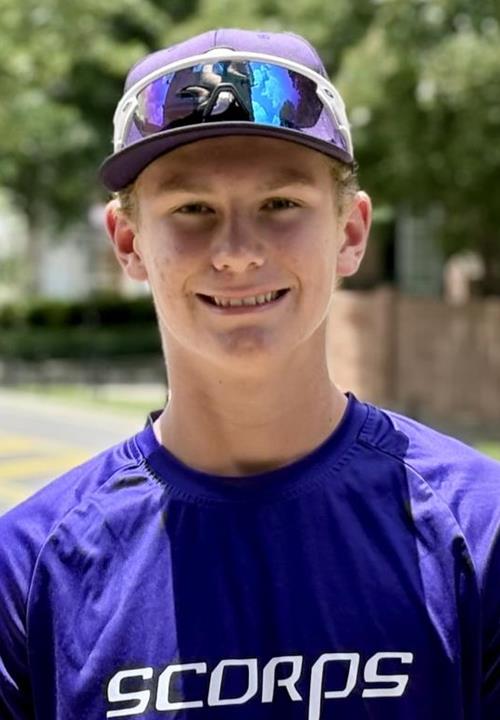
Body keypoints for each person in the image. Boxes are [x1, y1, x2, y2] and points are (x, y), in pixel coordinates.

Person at [0, 27, 498, 720]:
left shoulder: (480, 532)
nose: (236, 252)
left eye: (281, 204)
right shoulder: (29, 568)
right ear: (128, 241)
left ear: (351, 233)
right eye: (192, 209)